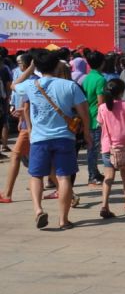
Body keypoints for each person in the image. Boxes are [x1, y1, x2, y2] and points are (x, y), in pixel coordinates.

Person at [12, 49, 92, 230]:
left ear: (37, 67)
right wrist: (86, 132)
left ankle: (38, 210)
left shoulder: (31, 85)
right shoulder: (69, 86)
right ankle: (63, 220)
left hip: (39, 138)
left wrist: (30, 68)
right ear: (57, 65)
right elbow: (83, 113)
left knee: (36, 176)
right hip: (65, 138)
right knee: (64, 177)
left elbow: (14, 85)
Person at [97, 79, 125, 218]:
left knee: (108, 176)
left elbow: (100, 123)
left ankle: (104, 205)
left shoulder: (102, 108)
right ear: (121, 91)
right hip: (124, 146)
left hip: (107, 146)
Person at [0, 53, 34, 203]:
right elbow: (25, 105)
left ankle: (7, 194)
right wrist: (21, 117)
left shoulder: (30, 82)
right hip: (29, 125)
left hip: (30, 127)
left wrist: (25, 123)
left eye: (21, 63)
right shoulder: (36, 81)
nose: (19, 66)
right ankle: (67, 193)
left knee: (15, 156)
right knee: (38, 161)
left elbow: (15, 87)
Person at [83, 51, 107, 186]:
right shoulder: (100, 79)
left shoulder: (87, 78)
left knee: (91, 148)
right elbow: (101, 102)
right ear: (102, 63)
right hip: (96, 118)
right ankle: (92, 175)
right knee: (94, 149)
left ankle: (94, 172)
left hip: (88, 116)